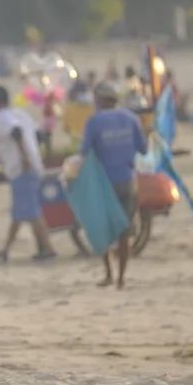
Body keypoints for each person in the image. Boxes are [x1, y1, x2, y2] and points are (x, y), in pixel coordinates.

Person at [80, 81, 148, 289]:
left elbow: (85, 152)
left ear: (100, 100)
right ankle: (121, 279)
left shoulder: (94, 122)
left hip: (104, 184)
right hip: (128, 181)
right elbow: (143, 149)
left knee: (104, 230)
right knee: (124, 232)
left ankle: (109, 273)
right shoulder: (131, 119)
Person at [0, 85, 57, 263]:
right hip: (30, 167)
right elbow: (40, 135)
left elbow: (16, 132)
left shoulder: (2, 117)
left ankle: (49, 250)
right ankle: (5, 251)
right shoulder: (20, 114)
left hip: (22, 168)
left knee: (32, 213)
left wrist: (24, 157)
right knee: (19, 214)